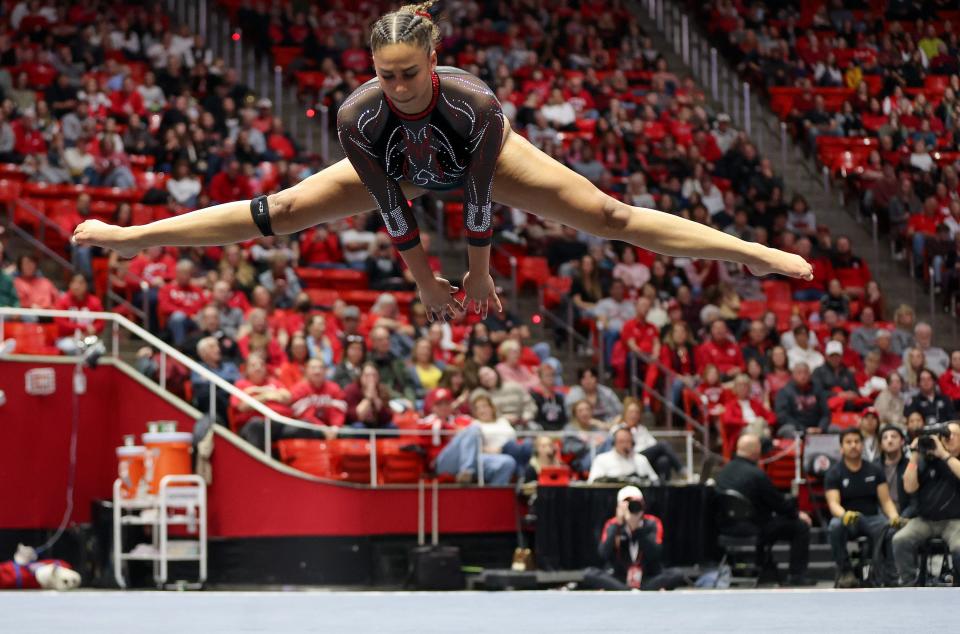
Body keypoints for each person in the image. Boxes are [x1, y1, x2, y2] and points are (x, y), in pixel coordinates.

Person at [72, 3, 811, 326]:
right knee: (287, 211)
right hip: (396, 166)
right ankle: (133, 237)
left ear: (432, 56)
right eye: (384, 74)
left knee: (609, 216)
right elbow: (395, 211)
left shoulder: (474, 104)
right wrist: (426, 280)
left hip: (481, 161)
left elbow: (479, 197)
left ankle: (748, 252)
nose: (396, 85)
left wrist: (481, 274)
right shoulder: (357, 116)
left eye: (407, 72)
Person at [714, 434, 814, 586]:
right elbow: (778, 504)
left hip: (726, 528)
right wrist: (797, 514)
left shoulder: (724, 472)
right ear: (756, 450)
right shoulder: (757, 475)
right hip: (754, 529)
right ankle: (796, 576)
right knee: (800, 527)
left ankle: (766, 568)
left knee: (768, 521)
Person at [824, 429, 903, 588]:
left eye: (857, 441)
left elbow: (886, 501)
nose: (853, 445)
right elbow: (833, 503)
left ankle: (890, 575)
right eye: (848, 442)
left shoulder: (875, 470)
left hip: (872, 518)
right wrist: (844, 515)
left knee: (891, 530)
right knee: (834, 526)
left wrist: (894, 516)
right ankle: (845, 571)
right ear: (841, 447)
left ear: (862, 445)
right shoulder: (834, 473)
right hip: (848, 519)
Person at [892, 421, 960, 585]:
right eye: (944, 435)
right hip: (925, 520)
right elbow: (909, 487)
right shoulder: (926, 459)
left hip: (955, 521)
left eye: (953, 435)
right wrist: (915, 454)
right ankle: (909, 584)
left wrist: (944, 455)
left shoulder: (951, 459)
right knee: (900, 539)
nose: (948, 438)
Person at [583, 485, 683, 591]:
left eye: (635, 503)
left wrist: (638, 530)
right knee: (589, 573)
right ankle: (626, 590)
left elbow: (656, 553)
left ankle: (636, 589)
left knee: (676, 573)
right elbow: (603, 553)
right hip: (620, 576)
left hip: (647, 575)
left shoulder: (652, 523)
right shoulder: (612, 524)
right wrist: (618, 524)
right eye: (627, 503)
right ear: (619, 506)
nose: (631, 507)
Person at [435, 394, 517, 485]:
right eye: (439, 405)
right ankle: (466, 471)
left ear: (492, 408)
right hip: (450, 460)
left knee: (508, 462)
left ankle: (493, 497)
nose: (482, 410)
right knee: (474, 429)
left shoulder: (502, 422)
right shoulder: (470, 422)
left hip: (476, 460)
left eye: (484, 406)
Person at [230, 353, 293, 447]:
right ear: (246, 370)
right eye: (253, 365)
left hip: (280, 423)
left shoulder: (273, 381)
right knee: (256, 425)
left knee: (307, 426)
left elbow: (288, 397)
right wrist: (266, 396)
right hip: (255, 425)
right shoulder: (241, 384)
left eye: (261, 364)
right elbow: (242, 407)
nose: (258, 367)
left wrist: (255, 392)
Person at [614, 397, 684, 481]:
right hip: (631, 456)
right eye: (631, 412)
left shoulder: (642, 429)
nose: (634, 415)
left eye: (636, 412)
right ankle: (681, 470)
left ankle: (664, 488)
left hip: (645, 458)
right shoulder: (619, 428)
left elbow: (653, 445)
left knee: (663, 460)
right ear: (625, 413)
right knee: (663, 444)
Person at [191, 336, 241, 423]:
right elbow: (198, 384)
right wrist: (224, 382)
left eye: (217, 346)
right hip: (207, 403)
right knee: (207, 395)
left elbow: (239, 382)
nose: (217, 350)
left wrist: (211, 380)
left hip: (227, 401)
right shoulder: (198, 368)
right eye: (212, 347)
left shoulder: (230, 366)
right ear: (202, 353)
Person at [774, 362, 830, 438]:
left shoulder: (818, 389)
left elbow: (826, 413)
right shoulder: (785, 391)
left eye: (805, 373)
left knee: (834, 429)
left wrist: (821, 427)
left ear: (810, 375)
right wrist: (804, 429)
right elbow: (783, 416)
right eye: (799, 373)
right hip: (797, 428)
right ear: (793, 375)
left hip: (817, 427)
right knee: (788, 430)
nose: (803, 376)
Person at [588, 427, 660, 484]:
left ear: (633, 443)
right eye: (621, 441)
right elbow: (593, 482)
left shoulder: (641, 459)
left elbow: (654, 480)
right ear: (614, 443)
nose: (625, 445)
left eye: (628, 441)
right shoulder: (601, 459)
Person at [289, 358, 347, 430]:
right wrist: (322, 428)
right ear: (306, 370)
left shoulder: (334, 388)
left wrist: (335, 428)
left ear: (326, 371)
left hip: (332, 429)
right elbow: (302, 414)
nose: (317, 371)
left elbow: (339, 409)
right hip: (307, 429)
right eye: (313, 368)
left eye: (321, 368)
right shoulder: (298, 389)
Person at [52, 274, 104, 354]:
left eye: (80, 283)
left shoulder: (95, 301)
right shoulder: (62, 300)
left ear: (87, 285)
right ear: (69, 284)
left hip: (87, 338)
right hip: (66, 338)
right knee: (71, 347)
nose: (77, 286)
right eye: (74, 282)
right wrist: (84, 327)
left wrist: (95, 328)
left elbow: (101, 323)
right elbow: (61, 324)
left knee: (99, 348)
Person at [343, 362, 395, 428]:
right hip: (358, 424)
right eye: (367, 375)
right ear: (361, 376)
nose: (371, 378)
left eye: (374, 375)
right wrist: (368, 398)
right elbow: (354, 416)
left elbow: (387, 417)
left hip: (377, 424)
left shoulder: (382, 389)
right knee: (359, 427)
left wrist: (375, 398)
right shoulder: (351, 389)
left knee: (392, 427)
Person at [877, 424, 912, 516]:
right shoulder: (873, 467)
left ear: (902, 441)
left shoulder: (910, 465)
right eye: (885, 438)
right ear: (881, 445)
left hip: (905, 513)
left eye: (894, 436)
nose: (889, 440)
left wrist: (904, 516)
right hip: (880, 515)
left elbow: (915, 500)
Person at [530, 363, 568, 431]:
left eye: (552, 375)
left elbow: (564, 419)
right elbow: (536, 419)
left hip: (559, 431)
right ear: (540, 377)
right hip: (542, 432)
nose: (550, 378)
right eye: (547, 375)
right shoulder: (534, 396)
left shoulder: (559, 397)